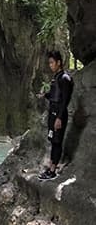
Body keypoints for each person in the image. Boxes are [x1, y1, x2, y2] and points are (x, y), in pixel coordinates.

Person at [38, 50, 74, 180]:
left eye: (52, 62)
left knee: (57, 142)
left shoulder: (65, 78)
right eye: (49, 63)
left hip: (59, 114)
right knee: (53, 140)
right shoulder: (56, 77)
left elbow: (64, 99)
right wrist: (45, 95)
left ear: (59, 62)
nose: (50, 65)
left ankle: (52, 171)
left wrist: (59, 117)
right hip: (53, 112)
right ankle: (51, 166)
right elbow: (55, 96)